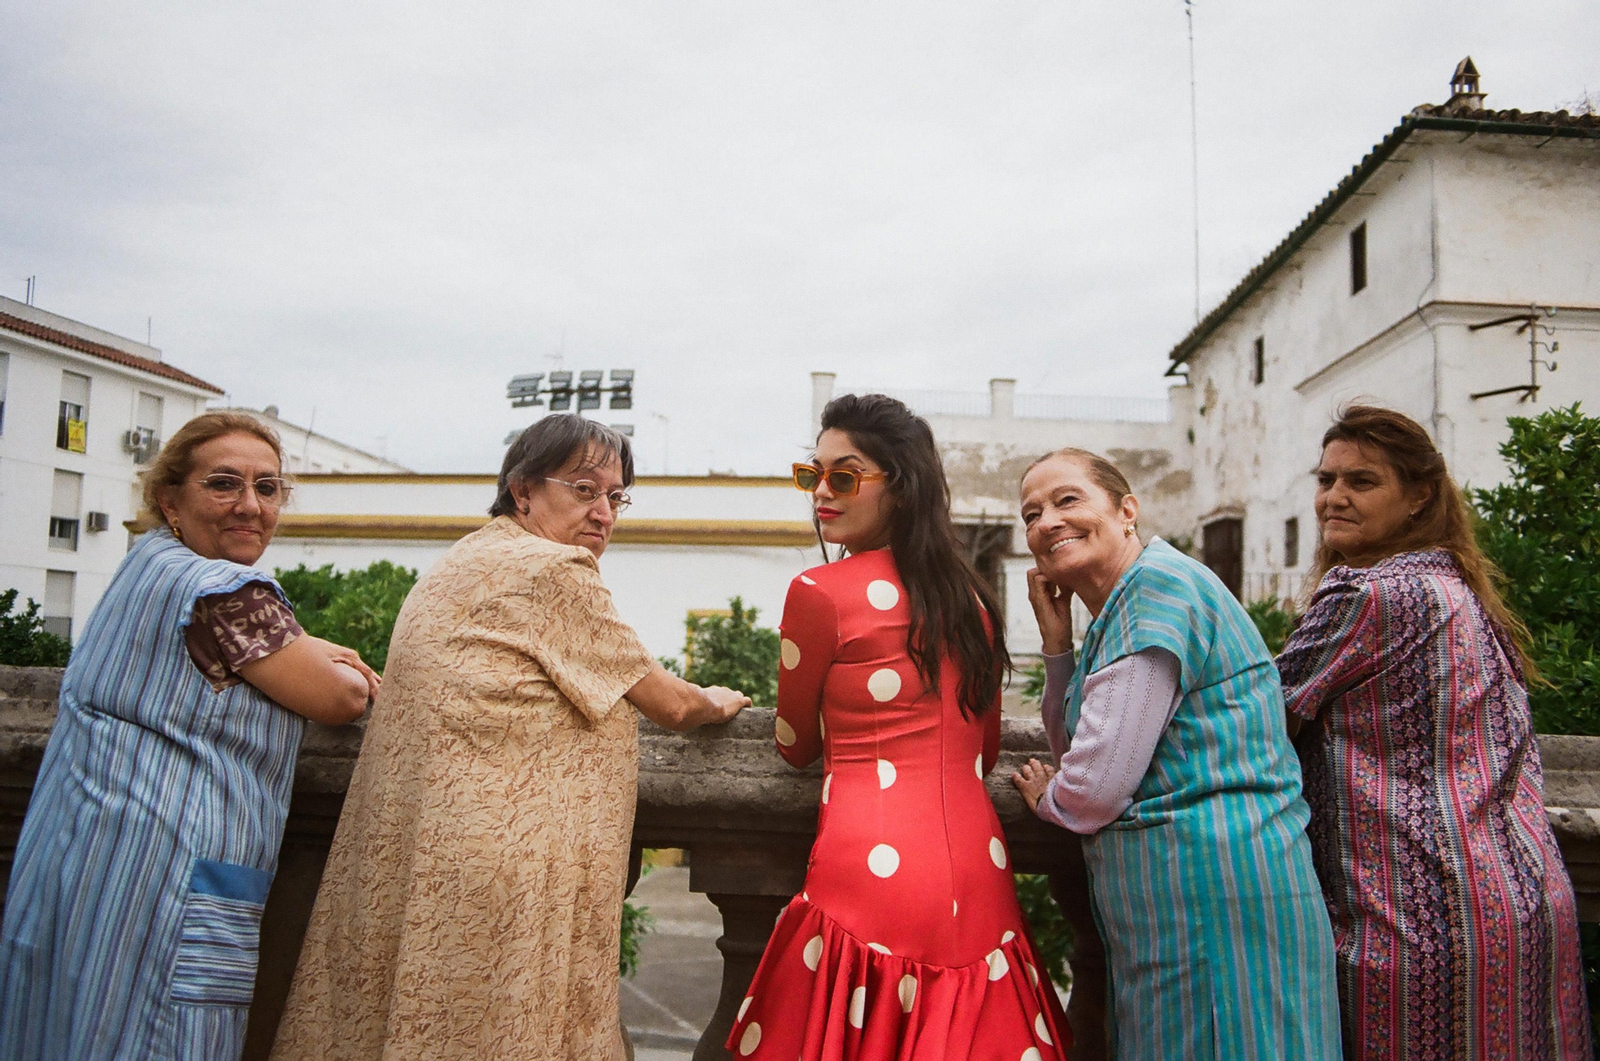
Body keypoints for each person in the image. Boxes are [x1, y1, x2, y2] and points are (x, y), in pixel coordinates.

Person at [271, 414, 749, 1061]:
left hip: (432, 857)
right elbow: (670, 704)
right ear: (523, 491)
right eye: (585, 489)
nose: (604, 511)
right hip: (506, 871)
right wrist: (719, 700)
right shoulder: (554, 569)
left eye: (616, 496)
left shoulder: (468, 555)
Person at [0, 412, 378, 1061]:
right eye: (224, 484)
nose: (249, 505)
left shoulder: (149, 563)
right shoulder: (224, 588)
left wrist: (302, 643)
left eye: (267, 487)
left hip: (81, 862)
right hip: (162, 882)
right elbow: (338, 697)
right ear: (170, 497)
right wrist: (328, 658)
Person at [726, 395, 1070, 1061]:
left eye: (844, 476)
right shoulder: (972, 601)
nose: (822, 492)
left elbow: (794, 746)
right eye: (812, 474)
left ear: (901, 486)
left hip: (867, 870)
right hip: (978, 867)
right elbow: (987, 748)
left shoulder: (818, 592)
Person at [1276, 406, 1589, 1060]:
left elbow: (1251, 719)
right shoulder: (1454, 585)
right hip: (1522, 905)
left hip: (1415, 922)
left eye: (1361, 481)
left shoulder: (1369, 594)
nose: (1333, 496)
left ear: (1419, 495)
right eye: (1327, 477)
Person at [1010, 447, 1341, 1061]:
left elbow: (1094, 788)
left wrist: (1051, 797)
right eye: (1031, 514)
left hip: (1215, 898)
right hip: (1190, 897)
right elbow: (1081, 744)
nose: (1047, 522)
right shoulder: (1125, 606)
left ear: (1127, 510)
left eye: (1067, 500)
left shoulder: (1157, 591)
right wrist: (1058, 646)